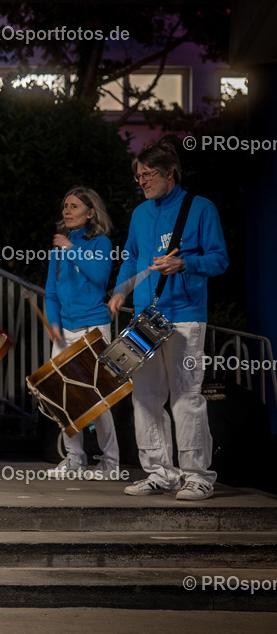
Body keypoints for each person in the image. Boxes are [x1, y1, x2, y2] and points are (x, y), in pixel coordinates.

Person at [108, 141, 229, 501]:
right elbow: (131, 258)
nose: (141, 181)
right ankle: (161, 472)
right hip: (146, 318)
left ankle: (198, 476)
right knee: (144, 397)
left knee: (186, 398)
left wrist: (185, 263)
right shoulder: (141, 213)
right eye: (138, 176)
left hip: (185, 318)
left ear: (169, 174)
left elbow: (220, 259)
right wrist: (120, 291)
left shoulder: (200, 208)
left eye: (147, 175)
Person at [43, 186, 122, 480]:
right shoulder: (59, 248)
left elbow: (100, 277)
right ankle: (75, 458)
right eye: (65, 205)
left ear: (90, 213)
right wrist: (53, 323)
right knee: (63, 397)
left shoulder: (100, 243)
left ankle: (110, 463)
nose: (67, 210)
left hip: (93, 327)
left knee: (96, 397)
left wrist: (71, 249)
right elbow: (51, 292)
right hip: (64, 330)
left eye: (74, 206)